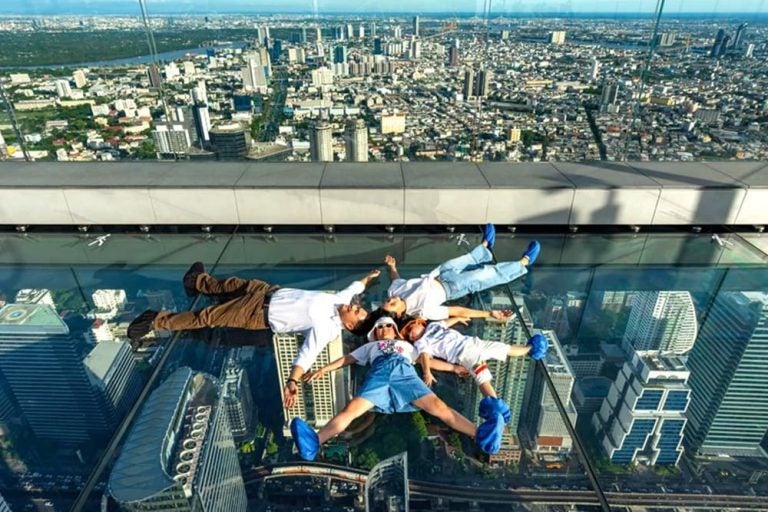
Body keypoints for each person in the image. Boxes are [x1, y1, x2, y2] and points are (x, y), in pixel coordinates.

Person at [127, 262, 380, 406]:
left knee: (208, 317)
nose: (353, 306)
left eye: (355, 311)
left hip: (257, 315)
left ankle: (155, 320)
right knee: (229, 285)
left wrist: (292, 382)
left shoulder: (327, 329)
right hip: (267, 292)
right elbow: (354, 287)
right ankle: (196, 281)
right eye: (357, 306)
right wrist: (369, 277)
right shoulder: (339, 301)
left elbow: (307, 355)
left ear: (349, 326)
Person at [289, 317, 508, 461]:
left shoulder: (408, 346)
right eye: (380, 327)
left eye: (388, 326)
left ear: (395, 331)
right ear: (374, 333)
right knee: (352, 409)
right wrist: (323, 370)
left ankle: (481, 436)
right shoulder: (369, 347)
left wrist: (453, 368)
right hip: (380, 375)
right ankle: (315, 442)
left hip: (405, 374)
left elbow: (427, 361)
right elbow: (346, 359)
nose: (384, 329)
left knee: (438, 406)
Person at [380, 223, 540, 322]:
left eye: (389, 300)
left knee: (468, 258)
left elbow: (396, 280)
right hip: (452, 288)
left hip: (438, 273)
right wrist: (488, 314)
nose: (393, 298)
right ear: (400, 314)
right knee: (487, 274)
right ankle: (524, 262)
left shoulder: (394, 291)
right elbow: (457, 310)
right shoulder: (423, 311)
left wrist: (392, 267)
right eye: (393, 303)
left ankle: (485, 245)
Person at [400, 317, 550, 405]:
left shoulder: (433, 325)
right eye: (407, 336)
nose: (410, 335)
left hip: (473, 342)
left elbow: (446, 322)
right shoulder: (421, 343)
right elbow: (425, 356)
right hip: (464, 354)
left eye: (409, 329)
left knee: (503, 348)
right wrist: (426, 372)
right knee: (482, 377)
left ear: (419, 322)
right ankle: (494, 406)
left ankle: (530, 349)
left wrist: (458, 318)